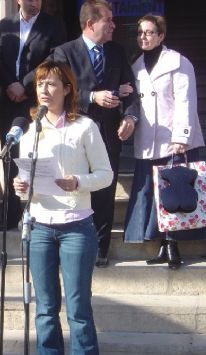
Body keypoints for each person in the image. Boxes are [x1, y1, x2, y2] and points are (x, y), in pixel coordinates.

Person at [13, 61, 113, 355]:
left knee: (78, 309)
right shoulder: (29, 132)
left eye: (52, 83)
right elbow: (26, 187)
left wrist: (78, 182)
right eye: (41, 83)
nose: (44, 90)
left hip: (76, 227)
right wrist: (19, 187)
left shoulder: (84, 127)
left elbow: (106, 175)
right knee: (45, 309)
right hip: (40, 226)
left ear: (67, 88)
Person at [52, 0, 139, 268]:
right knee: (73, 189)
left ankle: (101, 249)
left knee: (104, 190)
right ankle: (70, 247)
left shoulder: (116, 51)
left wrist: (130, 116)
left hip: (109, 134)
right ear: (91, 24)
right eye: (108, 20)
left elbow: (131, 90)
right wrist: (92, 96)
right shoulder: (65, 52)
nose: (114, 25)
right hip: (74, 135)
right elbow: (55, 93)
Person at [123, 15, 206, 269]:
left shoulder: (178, 62)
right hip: (148, 140)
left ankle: (174, 246)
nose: (144, 37)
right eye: (140, 33)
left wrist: (181, 137)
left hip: (174, 140)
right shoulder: (136, 65)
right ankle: (162, 244)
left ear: (161, 35)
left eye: (150, 32)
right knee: (154, 195)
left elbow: (186, 100)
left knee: (174, 193)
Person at [0, 0, 66, 229]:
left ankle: (38, 212)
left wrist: (24, 85)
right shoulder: (6, 24)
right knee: (10, 156)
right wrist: (8, 85)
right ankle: (10, 213)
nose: (35, 2)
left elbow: (54, 60)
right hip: (8, 101)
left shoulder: (53, 25)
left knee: (38, 155)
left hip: (37, 101)